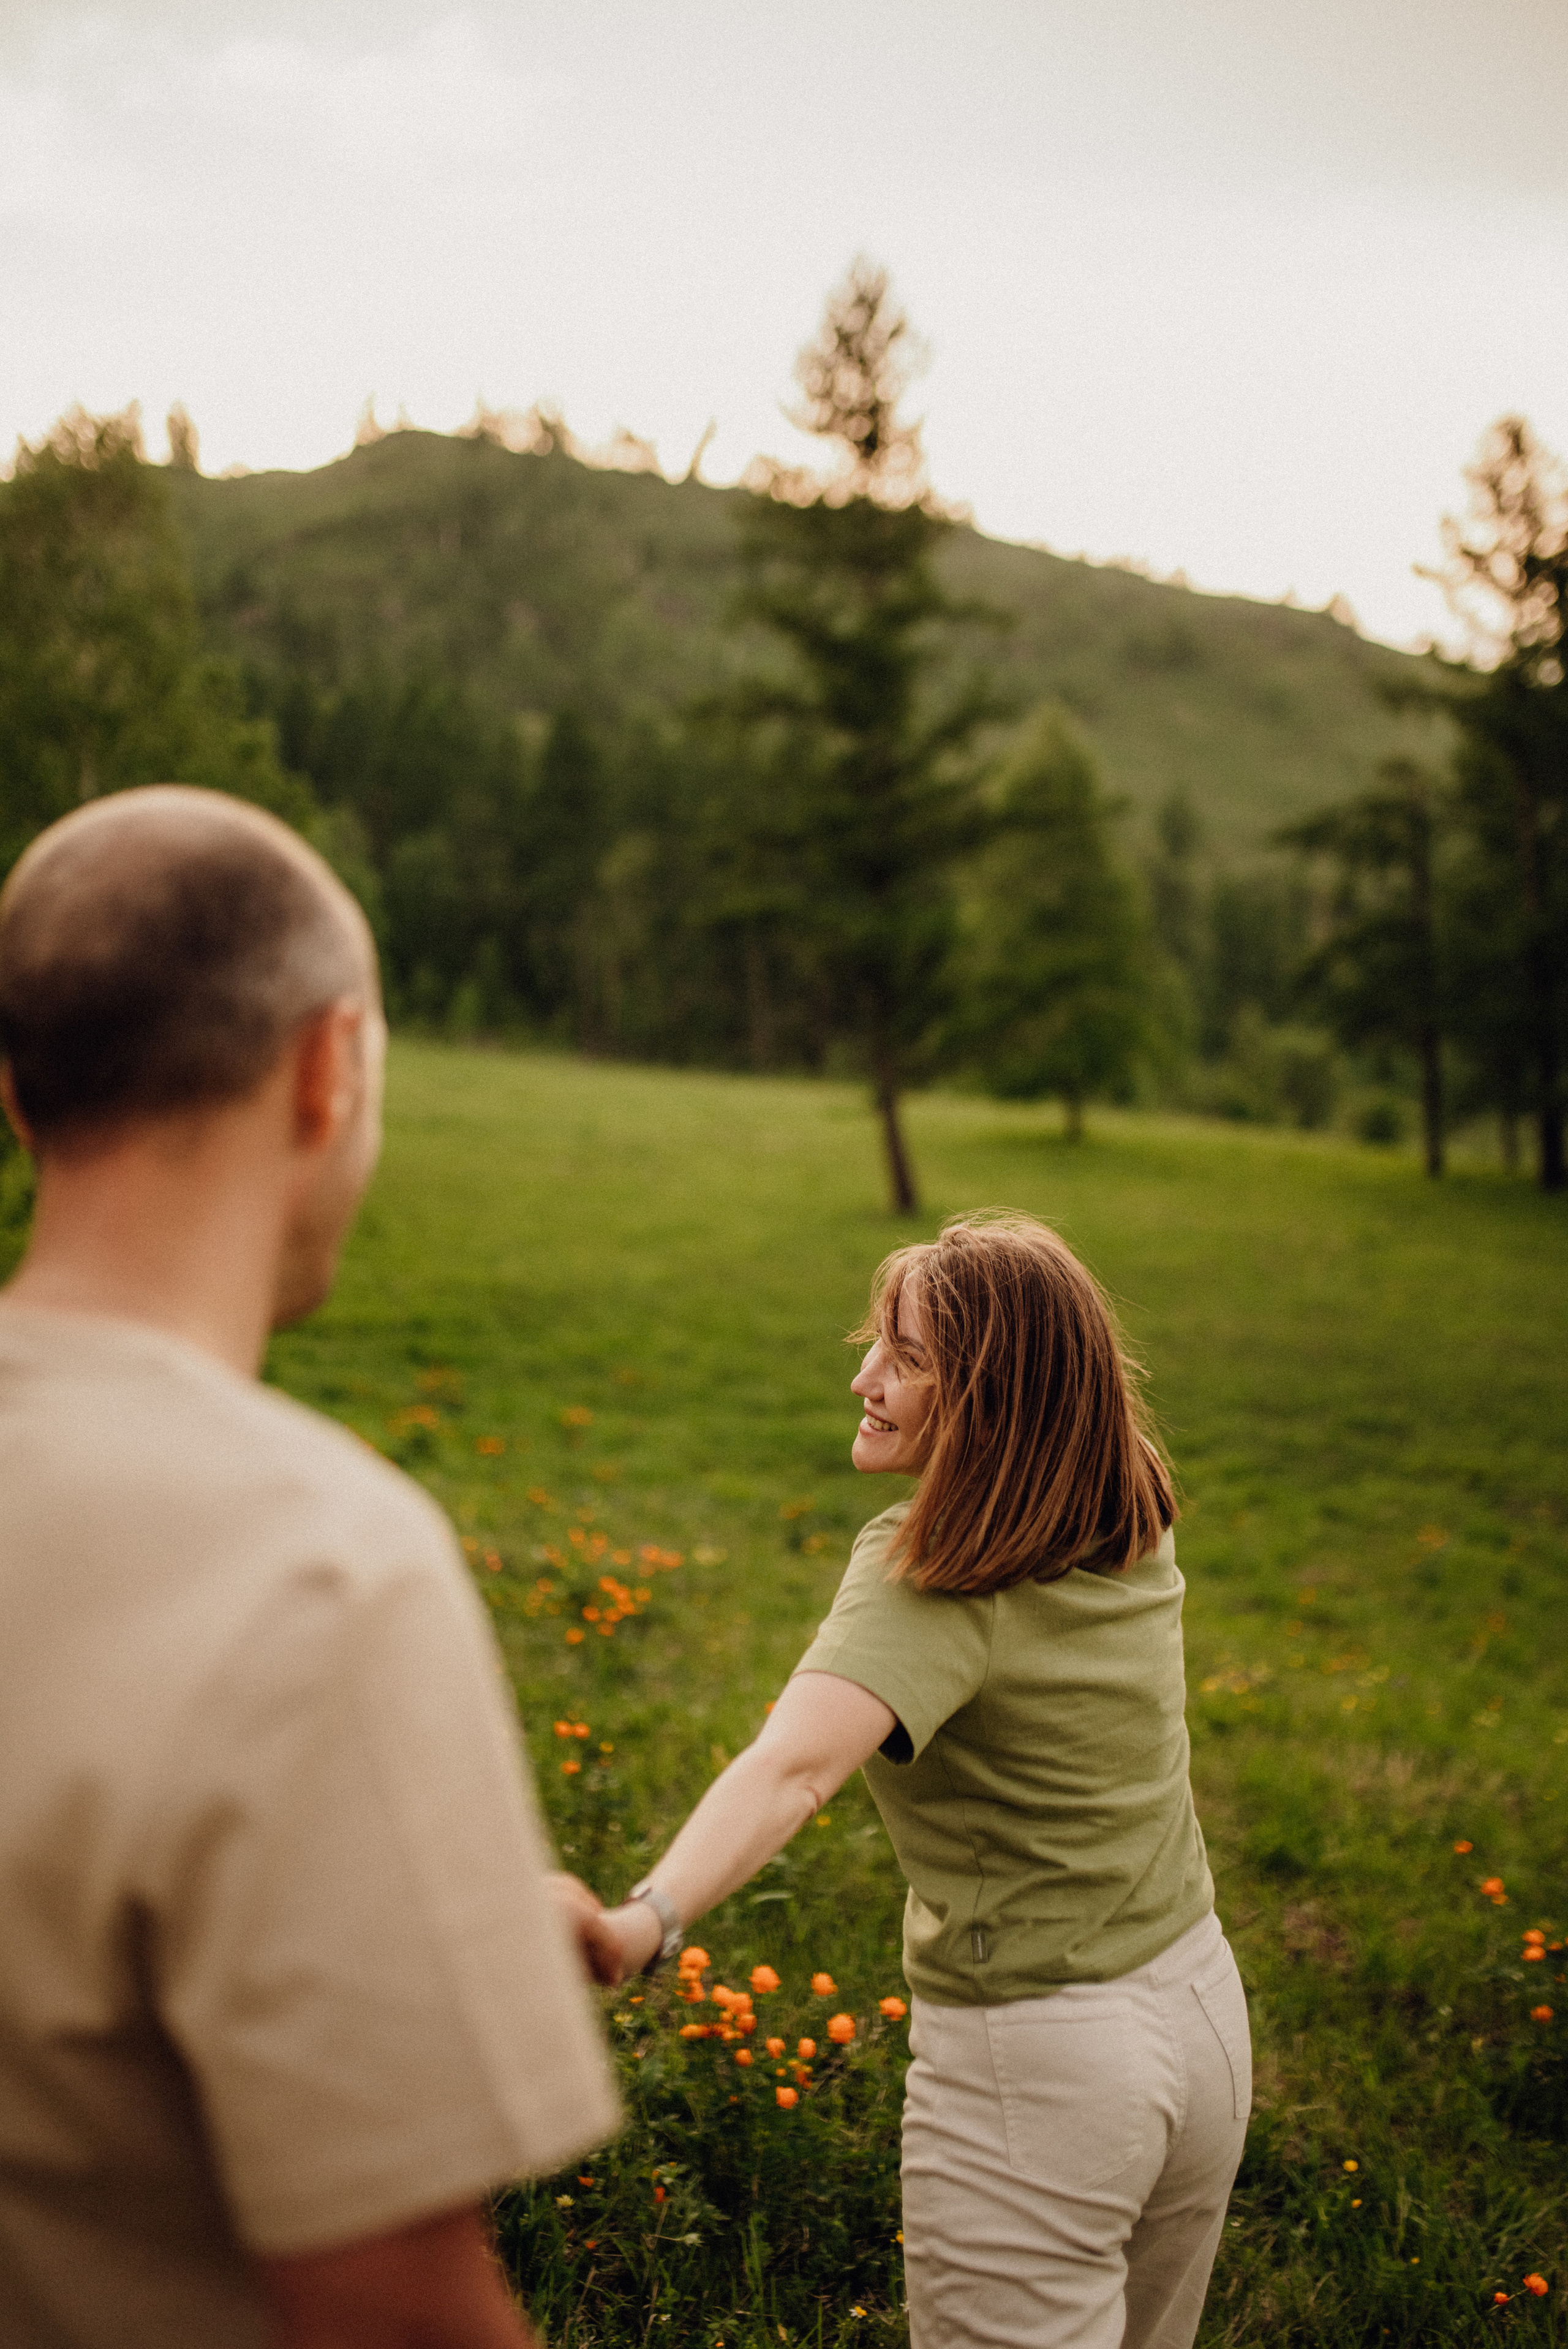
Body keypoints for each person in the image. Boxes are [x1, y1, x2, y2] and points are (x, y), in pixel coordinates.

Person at [0, 787, 620, 2349]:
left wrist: (393, 1916)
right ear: (328, 1069)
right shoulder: (324, 1566)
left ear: (20, 1094)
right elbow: (395, 2318)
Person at [595, 1213, 1251, 2349]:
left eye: (906, 1359)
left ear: (990, 1397)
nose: (864, 1380)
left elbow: (793, 1767)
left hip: (1042, 2071)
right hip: (1201, 2018)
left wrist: (645, 1919)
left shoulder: (934, 1578)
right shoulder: (1126, 1518)